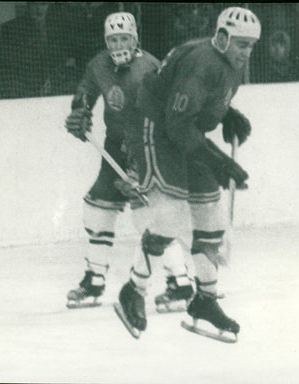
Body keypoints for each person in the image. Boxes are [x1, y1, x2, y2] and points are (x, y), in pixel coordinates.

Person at [113, 6, 256, 340]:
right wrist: (218, 161)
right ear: (222, 38)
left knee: (210, 215)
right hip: (155, 128)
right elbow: (176, 123)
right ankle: (133, 290)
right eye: (241, 45)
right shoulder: (201, 62)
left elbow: (198, 103)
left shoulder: (227, 63)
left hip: (183, 130)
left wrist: (227, 114)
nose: (246, 53)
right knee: (171, 216)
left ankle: (204, 300)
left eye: (251, 46)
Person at [64, 12, 192, 312]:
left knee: (151, 218)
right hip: (114, 148)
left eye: (124, 38)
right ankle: (94, 281)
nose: (118, 44)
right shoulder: (99, 64)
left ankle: (181, 284)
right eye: (112, 39)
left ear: (135, 39)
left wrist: (144, 161)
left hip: (146, 148)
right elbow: (86, 90)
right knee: (97, 210)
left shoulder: (149, 67)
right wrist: (80, 112)